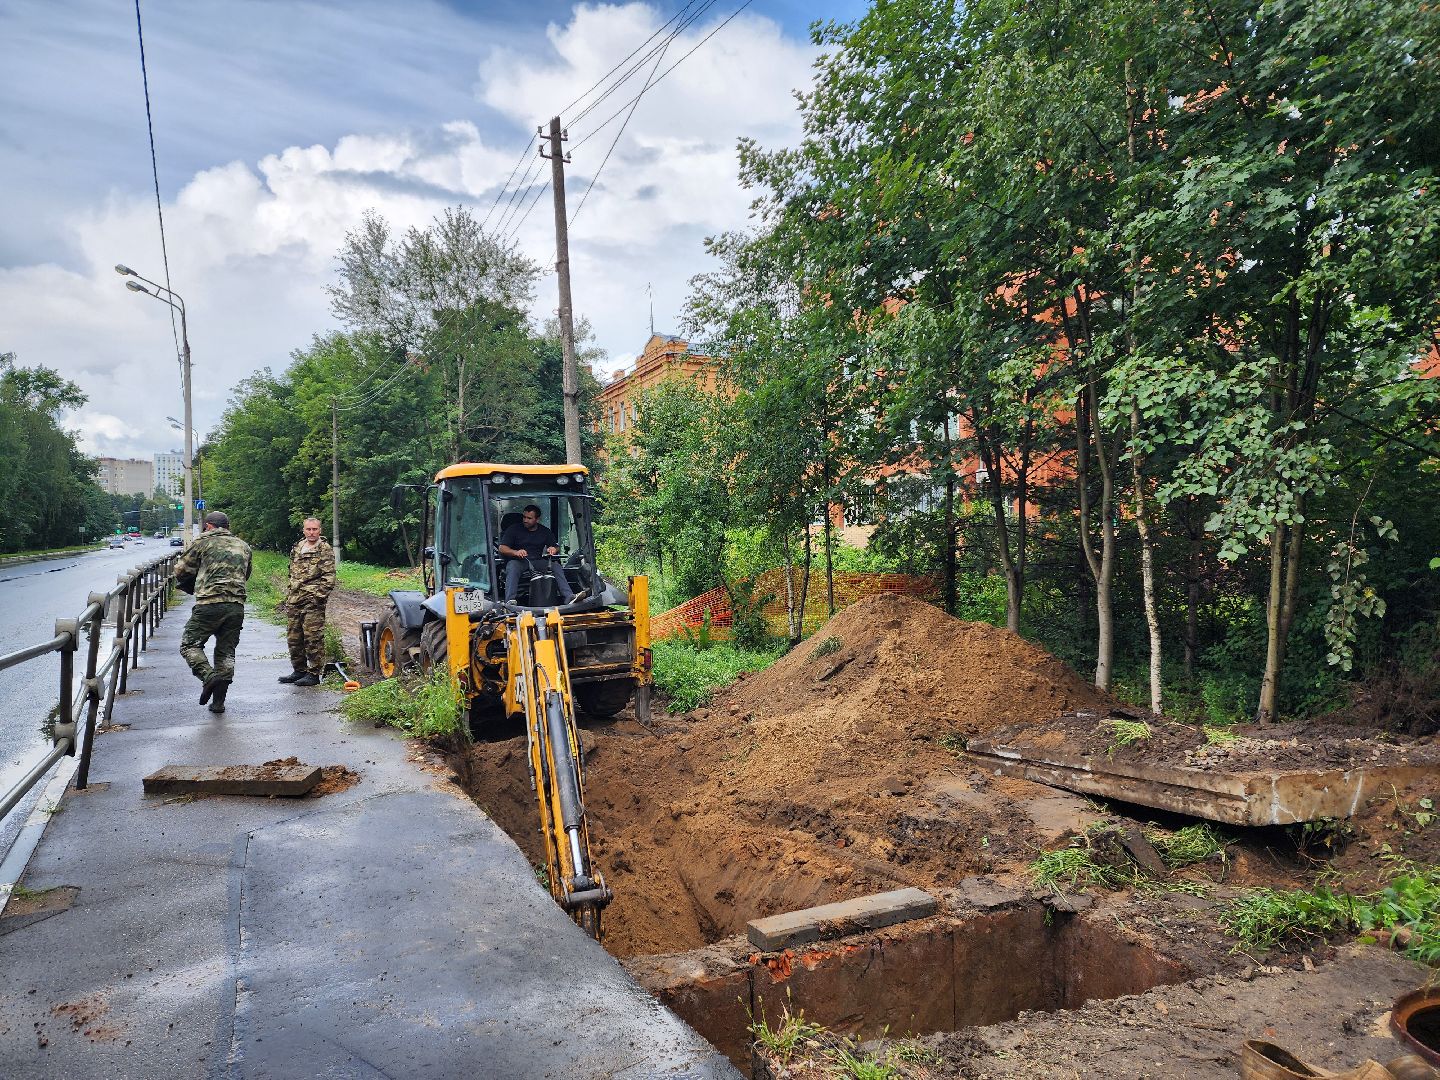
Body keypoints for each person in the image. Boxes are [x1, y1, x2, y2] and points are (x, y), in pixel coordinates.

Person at [173, 510, 253, 715]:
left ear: (208, 526)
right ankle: (218, 703)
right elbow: (246, 574)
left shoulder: (202, 542)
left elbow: (181, 570)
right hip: (236, 605)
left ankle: (208, 677)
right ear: (227, 526)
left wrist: (195, 581)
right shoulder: (243, 546)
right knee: (226, 653)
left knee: (189, 644)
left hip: (209, 604)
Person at [279, 517, 336, 687]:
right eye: (308, 529)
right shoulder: (298, 546)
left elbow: (329, 578)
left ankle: (314, 673)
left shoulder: (324, 549)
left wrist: (317, 598)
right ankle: (299, 670)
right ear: (303, 530)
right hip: (294, 599)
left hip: (312, 601)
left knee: (313, 638)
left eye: (315, 529)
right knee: (294, 637)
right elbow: (292, 571)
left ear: (320, 530)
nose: (311, 532)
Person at [498, 504, 575, 604]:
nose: (525, 520)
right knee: (512, 566)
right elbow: (502, 548)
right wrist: (516, 552)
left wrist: (553, 549)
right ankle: (509, 601)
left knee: (556, 566)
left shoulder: (545, 531)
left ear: (537, 519)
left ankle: (569, 597)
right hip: (519, 561)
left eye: (529, 518)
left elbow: (556, 546)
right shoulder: (513, 529)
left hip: (538, 561)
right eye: (524, 517)